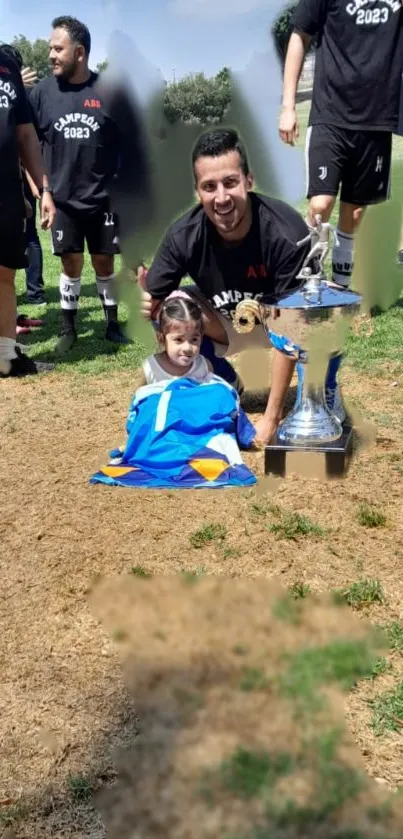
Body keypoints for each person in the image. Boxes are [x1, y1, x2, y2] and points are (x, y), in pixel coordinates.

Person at [140, 127, 313, 445]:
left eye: (230, 182)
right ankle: (218, 379)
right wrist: (149, 303)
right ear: (197, 191)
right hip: (223, 324)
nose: (221, 197)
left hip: (279, 325)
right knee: (170, 306)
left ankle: (317, 401)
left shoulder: (285, 230)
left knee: (315, 319)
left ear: (249, 180)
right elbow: (154, 306)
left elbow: (294, 326)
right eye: (209, 186)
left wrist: (270, 419)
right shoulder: (185, 234)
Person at [29, 16, 151, 353]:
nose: (51, 55)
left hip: (104, 200)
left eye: (58, 48)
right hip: (61, 199)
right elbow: (29, 147)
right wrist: (44, 192)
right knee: (70, 264)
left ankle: (112, 325)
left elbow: (132, 149)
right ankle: (69, 329)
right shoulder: (41, 93)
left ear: (79, 52)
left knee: (103, 262)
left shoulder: (107, 92)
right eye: (50, 48)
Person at [279, 0, 403, 288]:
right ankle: (301, 279)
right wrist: (288, 106)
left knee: (355, 211)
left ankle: (340, 287)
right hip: (330, 113)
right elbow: (300, 35)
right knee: (320, 205)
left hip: (376, 119)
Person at [0, 44, 55, 378]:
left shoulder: (7, 67)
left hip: (6, 191)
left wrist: (42, 189)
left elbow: (25, 134)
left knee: (5, 274)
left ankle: (6, 357)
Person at [141, 293, 213, 386]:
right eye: (179, 339)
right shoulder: (150, 369)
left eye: (194, 339)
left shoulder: (204, 367)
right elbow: (138, 399)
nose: (187, 348)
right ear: (162, 338)